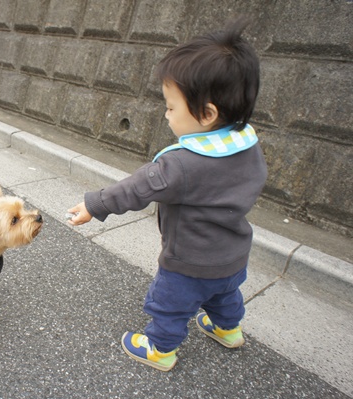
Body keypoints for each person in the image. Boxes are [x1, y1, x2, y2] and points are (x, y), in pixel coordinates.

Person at [67, 18, 267, 371]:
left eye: (171, 107)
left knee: (169, 304)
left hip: (188, 263)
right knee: (225, 296)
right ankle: (228, 330)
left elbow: (136, 189)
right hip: (234, 254)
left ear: (207, 114)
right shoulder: (246, 145)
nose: (166, 113)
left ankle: (160, 349)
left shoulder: (181, 165)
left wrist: (93, 204)